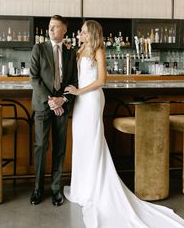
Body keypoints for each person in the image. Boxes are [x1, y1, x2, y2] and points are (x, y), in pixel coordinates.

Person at [63, 20, 184, 227]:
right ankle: (81, 187)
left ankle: (94, 187)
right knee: (81, 142)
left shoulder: (98, 50)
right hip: (81, 101)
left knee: (93, 141)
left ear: (91, 33)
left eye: (83, 31)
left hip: (91, 99)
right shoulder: (80, 49)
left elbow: (102, 80)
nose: (80, 34)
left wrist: (79, 92)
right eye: (80, 31)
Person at [30, 15, 78, 206]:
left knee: (60, 148)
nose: (51, 29)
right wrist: (51, 101)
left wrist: (62, 100)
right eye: (50, 26)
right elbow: (34, 78)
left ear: (64, 30)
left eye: (56, 27)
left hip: (62, 106)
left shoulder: (70, 51)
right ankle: (38, 189)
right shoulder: (39, 48)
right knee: (41, 146)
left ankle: (56, 189)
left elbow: (74, 81)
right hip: (43, 105)